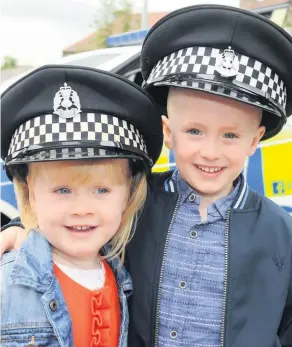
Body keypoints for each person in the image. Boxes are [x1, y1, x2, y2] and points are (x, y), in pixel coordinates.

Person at [2, 5, 292, 347]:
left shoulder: (282, 235)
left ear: (255, 140)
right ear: (168, 131)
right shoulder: (131, 205)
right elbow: (70, 212)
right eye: (195, 131)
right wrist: (20, 229)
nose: (210, 152)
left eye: (230, 135)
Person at [0, 65, 162, 347]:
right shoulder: (7, 283)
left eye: (101, 190)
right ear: (30, 195)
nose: (82, 209)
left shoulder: (120, 273)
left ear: (129, 195)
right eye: (63, 190)